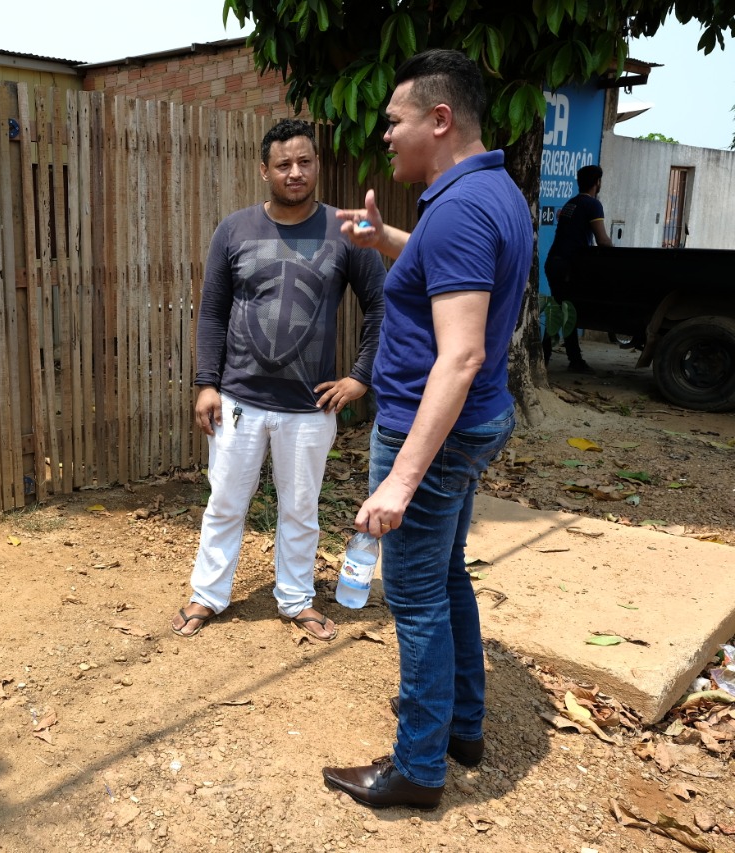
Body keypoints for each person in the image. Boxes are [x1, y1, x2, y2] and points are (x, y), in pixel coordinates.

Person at [323, 49, 531, 809]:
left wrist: (399, 480)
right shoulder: (487, 193)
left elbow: (463, 352)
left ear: (438, 120)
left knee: (414, 594)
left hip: (433, 431)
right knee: (446, 576)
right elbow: (448, 271)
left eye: (395, 121)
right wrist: (386, 243)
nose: (385, 137)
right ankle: (461, 726)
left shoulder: (463, 208)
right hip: (472, 425)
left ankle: (418, 767)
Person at [169, 118, 386, 641]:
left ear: (317, 164)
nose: (295, 172)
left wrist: (360, 378)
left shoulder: (345, 229)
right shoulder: (235, 229)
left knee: (300, 508)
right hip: (239, 399)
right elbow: (213, 312)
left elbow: (381, 306)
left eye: (305, 162)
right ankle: (209, 593)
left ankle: (295, 598)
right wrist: (205, 382)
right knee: (225, 502)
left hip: (310, 406)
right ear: (263, 169)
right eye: (283, 164)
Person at [543, 164, 611, 372]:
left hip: (554, 261)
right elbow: (602, 240)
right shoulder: (592, 205)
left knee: (563, 309)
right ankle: (547, 357)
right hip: (568, 266)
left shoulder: (571, 203)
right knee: (563, 311)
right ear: (597, 182)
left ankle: (572, 358)